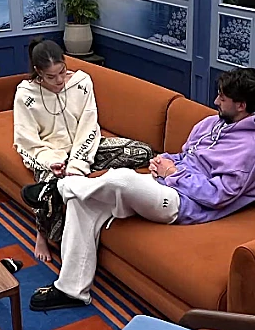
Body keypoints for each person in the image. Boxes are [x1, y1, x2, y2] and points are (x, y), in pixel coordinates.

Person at [21, 67, 255, 312]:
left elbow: (218, 195)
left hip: (184, 204)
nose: (215, 101)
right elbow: (185, 156)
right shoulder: (211, 123)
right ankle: (71, 290)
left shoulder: (253, 149)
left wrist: (174, 174)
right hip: (163, 184)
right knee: (83, 202)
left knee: (122, 179)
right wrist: (163, 161)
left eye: (222, 97)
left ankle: (58, 188)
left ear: (241, 105)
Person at [13, 37, 154, 262]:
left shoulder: (82, 82)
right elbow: (26, 141)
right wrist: (52, 162)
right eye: (51, 76)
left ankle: (76, 177)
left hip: (87, 148)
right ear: (38, 72)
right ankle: (41, 234)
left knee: (142, 152)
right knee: (47, 195)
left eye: (62, 71)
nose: (59, 80)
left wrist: (77, 164)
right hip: (51, 155)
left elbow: (89, 124)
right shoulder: (25, 95)